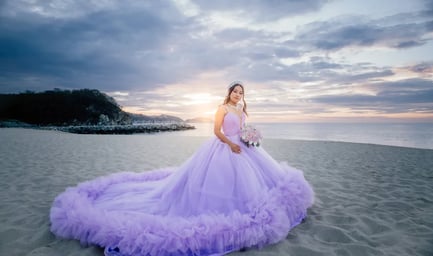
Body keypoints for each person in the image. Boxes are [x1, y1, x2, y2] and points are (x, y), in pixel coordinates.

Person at [50, 81, 314, 256]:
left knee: (259, 182)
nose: (238, 95)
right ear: (229, 93)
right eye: (235, 91)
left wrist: (248, 137)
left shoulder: (243, 108)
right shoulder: (221, 108)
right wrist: (231, 145)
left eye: (241, 92)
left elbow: (244, 127)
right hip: (224, 148)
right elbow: (216, 131)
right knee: (219, 183)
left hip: (245, 148)